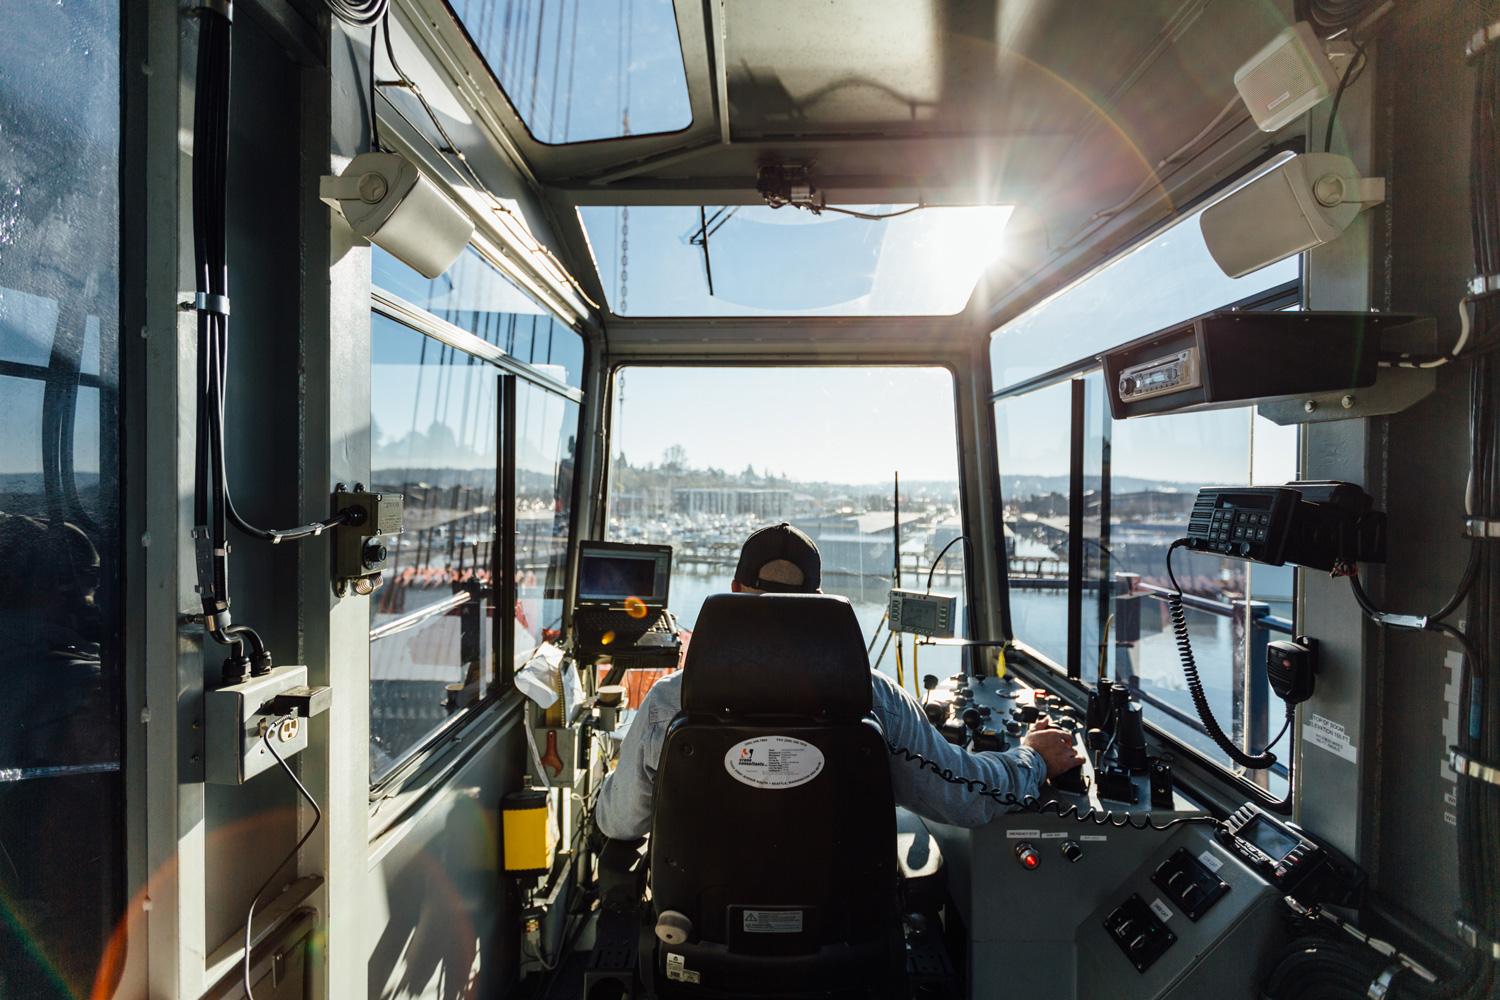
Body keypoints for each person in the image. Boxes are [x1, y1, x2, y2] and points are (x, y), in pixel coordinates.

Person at [595, 522, 1085, 838]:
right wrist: (1032, 758)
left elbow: (619, 824)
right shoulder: (876, 699)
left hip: (698, 925)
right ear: (817, 600)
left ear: (734, 593)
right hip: (841, 933)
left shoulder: (668, 701)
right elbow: (968, 799)